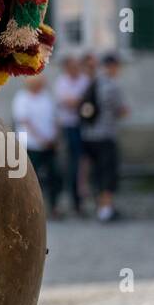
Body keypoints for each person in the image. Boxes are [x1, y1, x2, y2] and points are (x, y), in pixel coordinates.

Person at [80, 53, 128, 222]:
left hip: (89, 135)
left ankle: (100, 207)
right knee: (108, 173)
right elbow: (121, 110)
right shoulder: (112, 85)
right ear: (113, 66)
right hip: (106, 135)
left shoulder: (93, 82)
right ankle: (106, 209)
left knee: (97, 173)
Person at [13, 75, 60, 216]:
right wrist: (41, 139)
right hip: (31, 144)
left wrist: (55, 137)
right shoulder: (22, 98)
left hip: (49, 144)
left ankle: (53, 205)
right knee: (30, 179)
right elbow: (25, 121)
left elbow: (54, 118)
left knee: (55, 175)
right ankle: (28, 208)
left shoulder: (46, 97)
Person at [52, 55, 89, 216]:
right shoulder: (61, 82)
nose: (75, 69)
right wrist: (79, 101)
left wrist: (78, 102)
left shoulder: (85, 80)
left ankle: (83, 197)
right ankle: (74, 200)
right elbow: (69, 102)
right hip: (69, 126)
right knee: (72, 163)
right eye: (72, 66)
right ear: (66, 68)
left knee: (84, 161)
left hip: (84, 125)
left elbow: (84, 101)